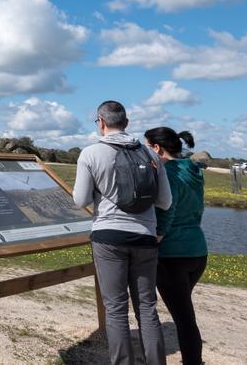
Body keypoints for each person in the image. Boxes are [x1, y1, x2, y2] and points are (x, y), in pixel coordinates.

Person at [74, 101, 172, 365]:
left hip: (109, 237)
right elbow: (165, 202)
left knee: (116, 309)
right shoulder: (151, 155)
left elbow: (80, 199)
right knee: (147, 307)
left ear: (101, 122)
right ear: (126, 123)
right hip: (145, 237)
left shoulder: (91, 153)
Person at [145, 127, 208, 365]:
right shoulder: (191, 170)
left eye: (147, 146)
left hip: (173, 254)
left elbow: (167, 214)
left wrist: (155, 241)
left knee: (184, 319)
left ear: (157, 148)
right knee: (184, 311)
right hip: (197, 251)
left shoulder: (167, 173)